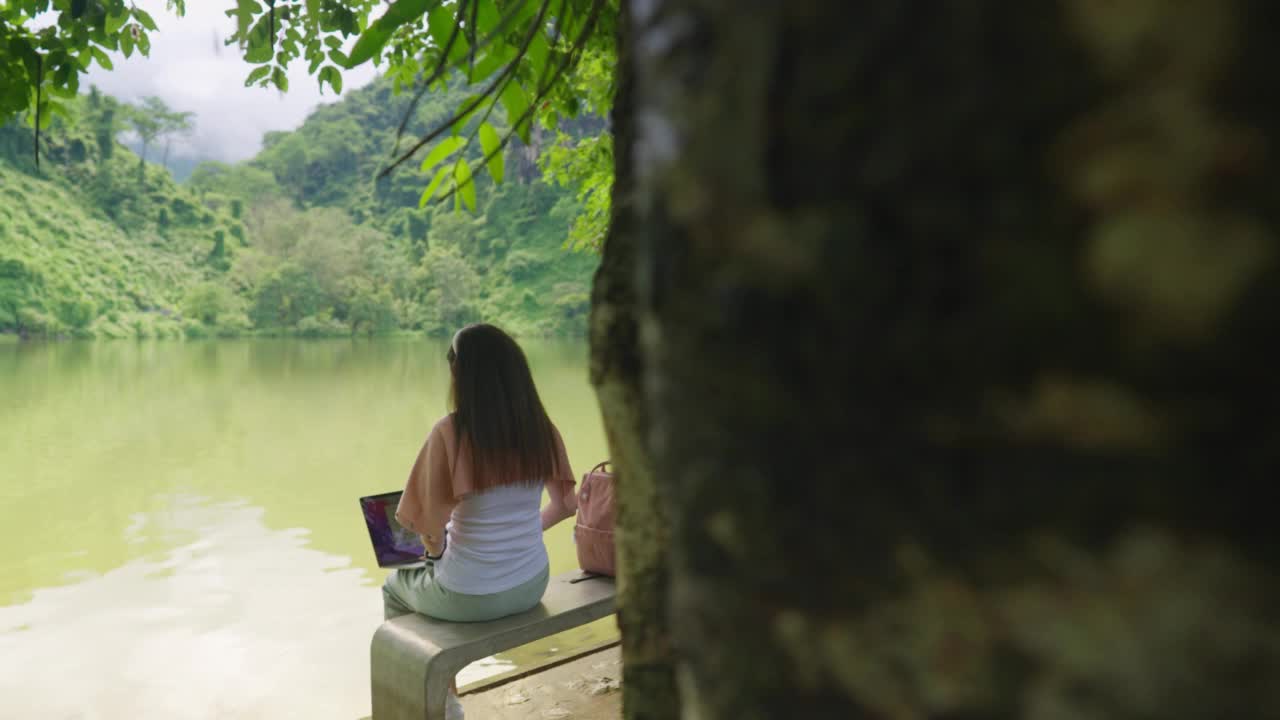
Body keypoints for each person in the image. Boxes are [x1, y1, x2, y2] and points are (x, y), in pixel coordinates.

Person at [383, 323, 578, 719]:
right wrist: (517, 536)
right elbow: (566, 505)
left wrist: (434, 555)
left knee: (393, 586)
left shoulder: (450, 431)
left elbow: (429, 531)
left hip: (468, 593)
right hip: (530, 583)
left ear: (461, 373)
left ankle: (443, 701)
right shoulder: (542, 430)